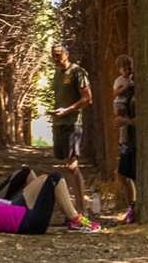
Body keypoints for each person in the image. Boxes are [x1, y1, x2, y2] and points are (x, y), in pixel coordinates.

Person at [51, 42, 92, 214]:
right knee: (65, 166)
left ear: (67, 54)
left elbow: (88, 98)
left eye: (59, 54)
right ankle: (71, 211)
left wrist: (67, 110)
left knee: (72, 166)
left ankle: (81, 210)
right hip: (59, 123)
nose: (56, 58)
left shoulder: (78, 72)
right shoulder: (57, 74)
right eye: (53, 54)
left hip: (72, 123)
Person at [112, 54, 136, 223]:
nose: (127, 71)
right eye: (124, 68)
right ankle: (132, 206)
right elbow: (115, 94)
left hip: (132, 135)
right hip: (125, 135)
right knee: (123, 174)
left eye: (129, 68)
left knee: (128, 173)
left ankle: (133, 207)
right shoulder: (120, 81)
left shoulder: (135, 83)